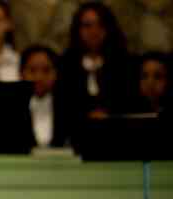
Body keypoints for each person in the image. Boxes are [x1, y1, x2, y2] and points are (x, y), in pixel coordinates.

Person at [57, 1, 137, 150]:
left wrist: (108, 117)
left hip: (119, 140)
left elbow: (130, 102)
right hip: (76, 142)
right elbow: (63, 107)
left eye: (100, 25)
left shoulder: (124, 64)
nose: (94, 31)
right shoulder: (66, 65)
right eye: (87, 25)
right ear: (77, 29)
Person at [20, 44, 65, 147]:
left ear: (56, 73)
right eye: (32, 70)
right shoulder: (11, 109)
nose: (39, 77)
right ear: (21, 73)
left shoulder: (69, 107)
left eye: (46, 70)